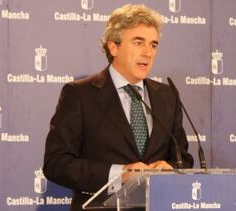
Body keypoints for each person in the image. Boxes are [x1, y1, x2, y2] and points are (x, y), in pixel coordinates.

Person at [43, 4, 193, 211]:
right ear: (113, 47)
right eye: (138, 42)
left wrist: (171, 169)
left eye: (153, 45)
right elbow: (56, 164)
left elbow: (183, 158)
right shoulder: (79, 94)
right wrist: (118, 174)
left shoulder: (167, 95)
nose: (147, 53)